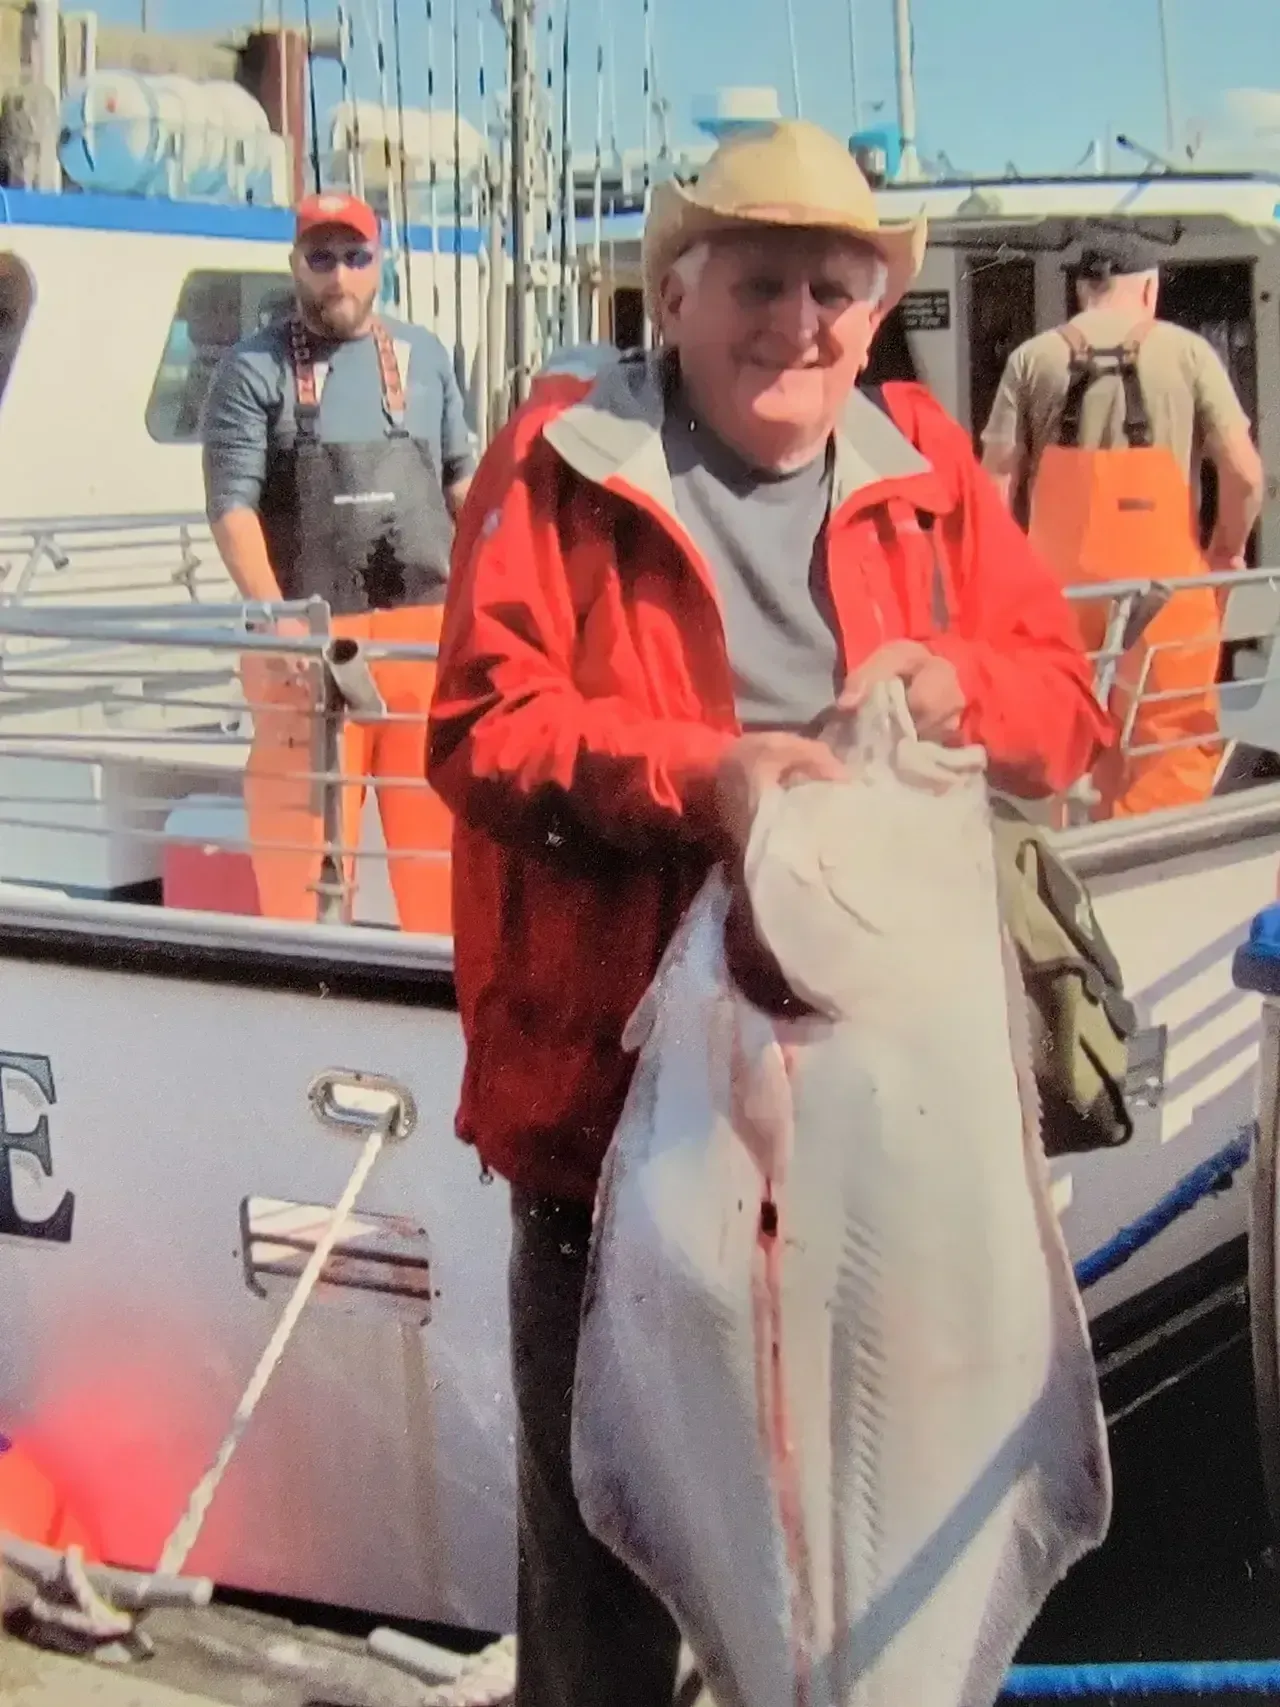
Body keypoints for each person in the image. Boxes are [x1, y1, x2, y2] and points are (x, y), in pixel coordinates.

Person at [428, 119, 1111, 1707]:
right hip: (615, 1151)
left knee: (898, 1569)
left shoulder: (924, 470)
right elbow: (479, 725)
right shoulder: (564, 460)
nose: (797, 323)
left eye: (832, 288)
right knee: (599, 1634)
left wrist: (959, 683)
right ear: (674, 293)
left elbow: (1066, 704)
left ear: (872, 315)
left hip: (888, 1162)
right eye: (757, 282)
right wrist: (708, 778)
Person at [202, 190, 474, 931]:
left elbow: (462, 484)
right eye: (321, 258)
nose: (339, 275)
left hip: (424, 642)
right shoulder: (250, 370)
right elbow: (231, 507)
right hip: (309, 646)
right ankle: (311, 993)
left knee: (444, 871)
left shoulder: (426, 357)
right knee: (303, 883)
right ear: (295, 264)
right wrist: (278, 617)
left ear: (379, 263)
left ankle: (440, 990)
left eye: (356, 256)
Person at [981, 234, 1264, 817]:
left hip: (1057, 593)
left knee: (1056, 735)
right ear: (1150, 288)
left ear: (1081, 291)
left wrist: (1001, 585)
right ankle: (1154, 854)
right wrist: (1226, 551)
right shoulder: (1188, 354)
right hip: (1167, 592)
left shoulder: (1031, 359)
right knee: (1168, 743)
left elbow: (995, 484)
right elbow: (1244, 474)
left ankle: (1057, 852)